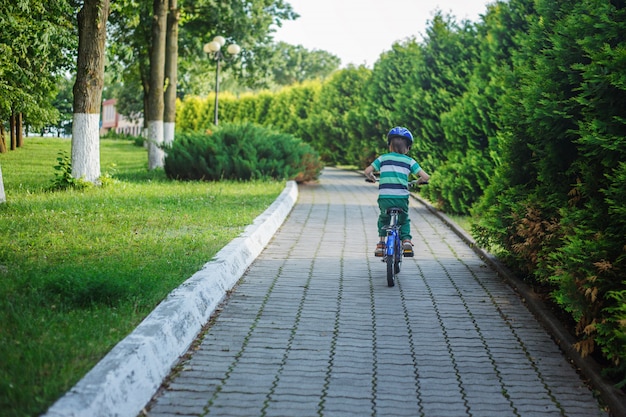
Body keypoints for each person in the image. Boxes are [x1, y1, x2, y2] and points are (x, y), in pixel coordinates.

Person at [364, 126, 430, 257]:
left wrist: (372, 178)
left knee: (383, 218)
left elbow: (367, 171)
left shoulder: (383, 159)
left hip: (385, 198)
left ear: (390, 145)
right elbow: (426, 177)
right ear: (408, 147)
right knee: (404, 219)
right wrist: (418, 182)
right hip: (401, 198)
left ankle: (381, 245)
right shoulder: (410, 161)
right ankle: (406, 241)